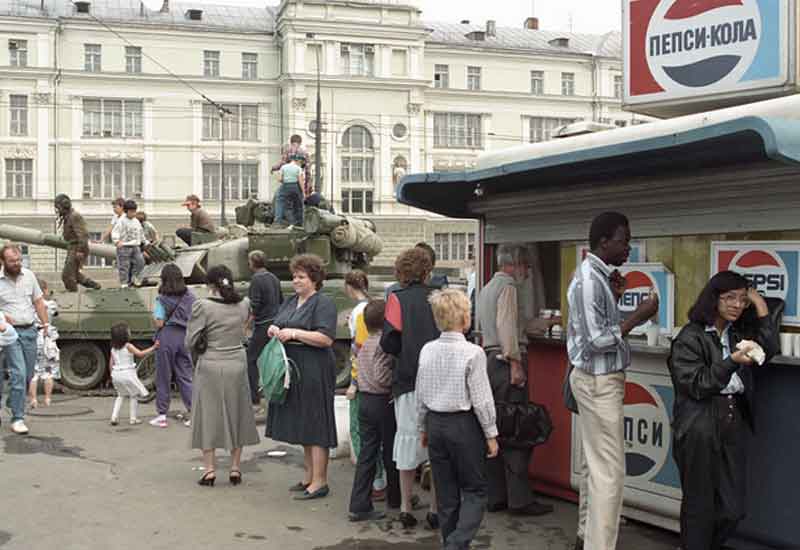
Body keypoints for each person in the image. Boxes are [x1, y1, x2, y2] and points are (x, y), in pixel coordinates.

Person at [566, 212, 659, 550]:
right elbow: (596, 341)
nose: (629, 248)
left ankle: (585, 536)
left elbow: (595, 330)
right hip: (599, 381)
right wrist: (638, 315)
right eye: (624, 240)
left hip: (594, 379)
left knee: (595, 466)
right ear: (603, 242)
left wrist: (616, 299)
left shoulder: (596, 277)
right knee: (610, 474)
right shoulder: (590, 279)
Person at [668, 272, 775, 550]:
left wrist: (759, 303)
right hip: (699, 425)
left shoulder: (737, 331)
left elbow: (769, 347)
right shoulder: (690, 336)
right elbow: (697, 384)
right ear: (712, 299)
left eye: (742, 299)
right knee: (699, 505)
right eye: (729, 298)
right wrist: (731, 361)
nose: (737, 305)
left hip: (732, 420)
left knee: (732, 508)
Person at [475, 244, 554, 516]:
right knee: (517, 429)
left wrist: (547, 322)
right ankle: (520, 500)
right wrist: (516, 363)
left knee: (496, 428)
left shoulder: (487, 289)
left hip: (491, 363)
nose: (529, 271)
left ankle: (496, 496)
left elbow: (511, 324)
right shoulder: (509, 286)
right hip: (507, 364)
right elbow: (508, 328)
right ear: (515, 263)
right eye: (526, 265)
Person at [417, 289, 499, 550]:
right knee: (475, 489)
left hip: (435, 422)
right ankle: (457, 543)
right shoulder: (473, 353)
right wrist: (491, 434)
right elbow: (482, 398)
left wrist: (422, 426)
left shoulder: (427, 350)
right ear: (465, 318)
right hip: (463, 425)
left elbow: (421, 393)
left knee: (446, 492)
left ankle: (450, 542)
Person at [265, 254, 338, 500]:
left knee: (316, 423)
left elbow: (326, 338)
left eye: (301, 277)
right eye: (294, 276)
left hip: (315, 369)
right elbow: (278, 322)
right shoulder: (290, 300)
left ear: (314, 279)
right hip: (294, 370)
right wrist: (274, 329)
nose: (295, 280)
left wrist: (295, 333)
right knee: (304, 422)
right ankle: (308, 477)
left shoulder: (323, 303)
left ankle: (320, 482)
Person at [380, 247, 440, 529]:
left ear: (402, 272)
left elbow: (389, 341)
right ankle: (436, 509)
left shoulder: (396, 299)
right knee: (438, 446)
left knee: (407, 440)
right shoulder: (439, 298)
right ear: (427, 271)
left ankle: (406, 506)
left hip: (407, 380)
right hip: (439, 381)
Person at [187, 265, 259, 487]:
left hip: (210, 364)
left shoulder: (202, 306)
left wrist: (195, 359)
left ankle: (209, 470)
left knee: (208, 416)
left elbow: (190, 340)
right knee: (237, 413)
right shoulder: (244, 304)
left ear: (210, 284)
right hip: (237, 362)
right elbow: (246, 331)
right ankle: (235, 468)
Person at [348, 299, 401, 521]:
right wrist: (394, 381)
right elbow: (381, 375)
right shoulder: (382, 344)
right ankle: (395, 498)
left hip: (365, 401)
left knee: (367, 454)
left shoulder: (364, 343)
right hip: (381, 401)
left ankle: (359, 503)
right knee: (391, 451)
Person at [0, 244, 50, 434]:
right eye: (12, 261)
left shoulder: (29, 276)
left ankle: (13, 400)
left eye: (19, 260)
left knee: (28, 375)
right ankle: (18, 417)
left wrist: (46, 326)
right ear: (2, 262)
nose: (17, 264)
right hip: (8, 333)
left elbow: (38, 301)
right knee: (19, 374)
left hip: (30, 331)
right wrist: (2, 317)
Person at [150, 263, 195, 428]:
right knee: (185, 376)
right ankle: (194, 413)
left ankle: (162, 415)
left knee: (163, 376)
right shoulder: (190, 296)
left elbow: (159, 322)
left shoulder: (161, 298)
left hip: (167, 337)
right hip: (185, 337)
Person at [246, 250, 283, 407]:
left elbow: (255, 305)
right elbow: (281, 299)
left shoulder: (256, 279)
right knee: (273, 359)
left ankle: (254, 397)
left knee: (250, 359)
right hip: (275, 323)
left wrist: (246, 323)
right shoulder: (273, 278)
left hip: (263, 325)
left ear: (252, 263)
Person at [109, 322, 156, 426]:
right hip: (127, 374)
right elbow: (140, 353)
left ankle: (114, 417)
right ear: (124, 335)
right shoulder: (128, 346)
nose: (130, 332)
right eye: (128, 331)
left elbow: (111, 363)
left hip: (116, 374)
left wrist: (111, 375)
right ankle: (133, 419)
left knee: (120, 395)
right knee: (133, 395)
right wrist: (154, 347)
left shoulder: (113, 348)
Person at [55, 194, 101, 291]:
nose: (57, 210)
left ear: (64, 205)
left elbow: (83, 235)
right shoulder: (68, 217)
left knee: (67, 276)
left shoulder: (74, 216)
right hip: (72, 247)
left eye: (58, 207)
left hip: (77, 248)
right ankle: (94, 286)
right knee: (74, 274)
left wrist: (80, 251)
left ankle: (73, 297)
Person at [28, 279, 60, 408]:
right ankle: (47, 399)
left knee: (33, 372)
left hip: (33, 337)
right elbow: (55, 314)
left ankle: (34, 400)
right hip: (48, 338)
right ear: (44, 290)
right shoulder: (51, 304)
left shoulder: (29, 305)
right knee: (48, 371)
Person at [112, 200, 146, 288]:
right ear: (126, 211)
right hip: (124, 246)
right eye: (131, 212)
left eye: (134, 211)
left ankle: (134, 278)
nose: (133, 214)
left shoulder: (136, 221)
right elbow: (115, 231)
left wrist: (145, 241)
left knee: (140, 262)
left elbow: (140, 233)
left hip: (135, 245)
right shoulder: (121, 221)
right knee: (124, 265)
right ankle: (124, 283)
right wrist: (116, 241)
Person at [274, 154, 306, 227]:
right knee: (299, 205)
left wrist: (285, 181)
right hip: (295, 186)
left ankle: (277, 221)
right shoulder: (298, 168)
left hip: (285, 186)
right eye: (301, 163)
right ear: (298, 161)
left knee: (280, 201)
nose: (301, 164)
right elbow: (300, 181)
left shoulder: (283, 167)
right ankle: (299, 223)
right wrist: (303, 192)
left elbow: (279, 179)